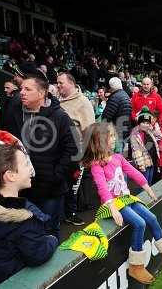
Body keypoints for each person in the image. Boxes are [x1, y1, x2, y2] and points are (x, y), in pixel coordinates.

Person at [82, 122, 162, 285]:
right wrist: (113, 208)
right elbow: (102, 188)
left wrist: (148, 188)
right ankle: (136, 266)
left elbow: (134, 172)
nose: (114, 139)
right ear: (100, 140)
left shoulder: (117, 157)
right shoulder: (97, 166)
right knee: (139, 223)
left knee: (151, 218)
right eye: (111, 136)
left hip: (126, 199)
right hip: (114, 203)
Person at [0, 132, 58, 288]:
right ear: (10, 176)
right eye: (26, 164)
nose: (30, 169)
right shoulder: (24, 221)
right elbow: (38, 254)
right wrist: (52, 239)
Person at [2, 74, 78, 239]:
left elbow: (73, 150)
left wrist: (55, 175)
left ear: (42, 93)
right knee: (23, 234)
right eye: (21, 88)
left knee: (49, 232)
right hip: (20, 189)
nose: (22, 92)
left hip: (49, 190)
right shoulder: (13, 112)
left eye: (27, 89)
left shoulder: (60, 117)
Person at [57, 72, 95, 226]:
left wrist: (87, 154)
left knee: (73, 184)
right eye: (57, 83)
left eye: (61, 83)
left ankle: (71, 213)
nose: (58, 85)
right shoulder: (58, 100)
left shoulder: (83, 102)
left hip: (76, 153)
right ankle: (63, 212)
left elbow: (89, 130)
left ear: (71, 83)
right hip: (59, 151)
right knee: (60, 181)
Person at [130, 107, 160, 185]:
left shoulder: (149, 132)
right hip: (144, 164)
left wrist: (153, 127)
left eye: (147, 123)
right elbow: (136, 151)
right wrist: (141, 165)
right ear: (139, 123)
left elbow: (159, 136)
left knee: (149, 183)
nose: (145, 125)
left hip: (151, 161)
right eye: (143, 123)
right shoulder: (135, 134)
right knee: (144, 185)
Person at [102, 77, 132, 153]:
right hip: (125, 130)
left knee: (115, 155)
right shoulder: (125, 95)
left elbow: (106, 117)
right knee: (119, 155)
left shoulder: (115, 97)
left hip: (117, 132)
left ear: (111, 87)